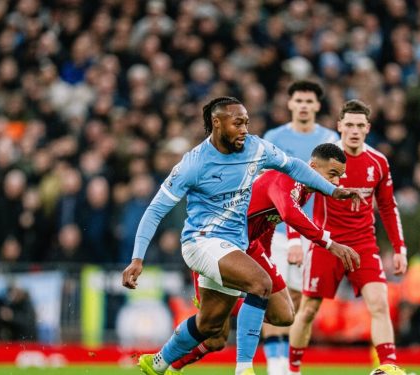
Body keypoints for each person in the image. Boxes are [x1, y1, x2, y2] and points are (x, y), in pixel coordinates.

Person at [122, 97, 362, 375]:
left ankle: (159, 363)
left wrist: (333, 191)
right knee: (260, 283)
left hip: (239, 244)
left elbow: (295, 165)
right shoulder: (193, 164)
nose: (245, 129)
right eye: (238, 123)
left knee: (211, 328)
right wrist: (137, 258)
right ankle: (244, 368)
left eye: (247, 122)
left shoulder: (256, 147)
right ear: (217, 123)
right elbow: (154, 210)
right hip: (202, 241)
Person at [166, 143, 360, 374]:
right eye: (332, 174)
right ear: (313, 167)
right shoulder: (287, 178)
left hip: (251, 247)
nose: (336, 183)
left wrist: (264, 261)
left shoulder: (305, 191)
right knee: (215, 338)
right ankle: (175, 365)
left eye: (339, 176)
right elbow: (288, 214)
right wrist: (329, 243)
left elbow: (266, 224)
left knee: (285, 315)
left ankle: (226, 308)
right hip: (221, 246)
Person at [288, 99, 408, 375]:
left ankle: (388, 366)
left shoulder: (378, 162)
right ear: (340, 125)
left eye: (359, 125)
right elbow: (294, 199)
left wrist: (399, 248)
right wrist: (295, 240)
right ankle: (292, 370)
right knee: (307, 310)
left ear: (368, 128)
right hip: (326, 244)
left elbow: (388, 207)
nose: (354, 130)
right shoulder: (323, 160)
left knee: (379, 303)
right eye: (349, 125)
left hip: (364, 244)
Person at [261, 80, 339, 375]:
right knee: (272, 294)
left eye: (310, 101)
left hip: (315, 231)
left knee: (298, 299)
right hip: (277, 230)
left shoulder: (331, 139)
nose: (304, 105)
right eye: (299, 100)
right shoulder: (274, 137)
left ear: (317, 106)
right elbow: (269, 186)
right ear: (290, 104)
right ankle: (276, 365)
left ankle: (288, 364)